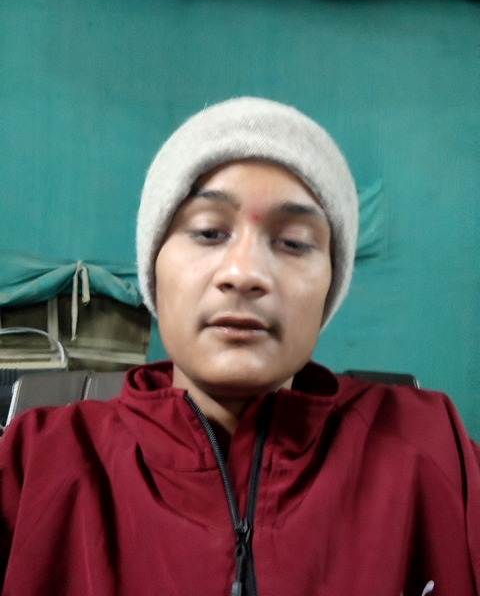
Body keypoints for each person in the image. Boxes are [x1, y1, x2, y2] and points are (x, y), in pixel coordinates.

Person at [0, 97, 479, 596]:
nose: (244, 273)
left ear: (330, 285)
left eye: (294, 242)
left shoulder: (434, 449)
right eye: (209, 232)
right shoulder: (34, 462)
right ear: (154, 269)